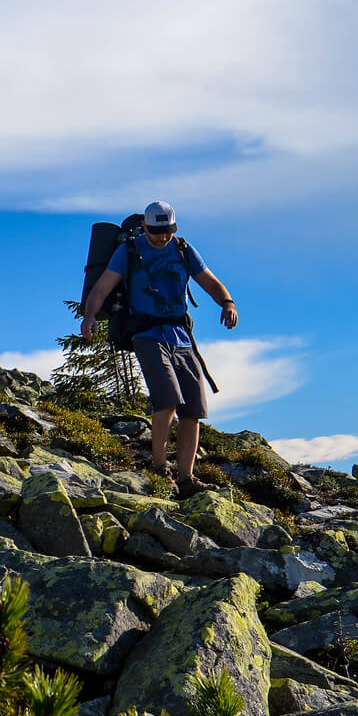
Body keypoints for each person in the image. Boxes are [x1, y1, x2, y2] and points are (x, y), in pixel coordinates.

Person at [80, 201, 237, 497]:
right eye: (156, 232)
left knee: (193, 409)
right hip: (146, 333)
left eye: (166, 232)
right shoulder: (129, 251)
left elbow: (209, 281)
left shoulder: (183, 249)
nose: (162, 237)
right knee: (167, 400)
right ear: (146, 228)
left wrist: (227, 303)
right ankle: (159, 468)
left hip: (180, 335)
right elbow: (101, 288)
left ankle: (187, 478)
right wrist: (90, 316)